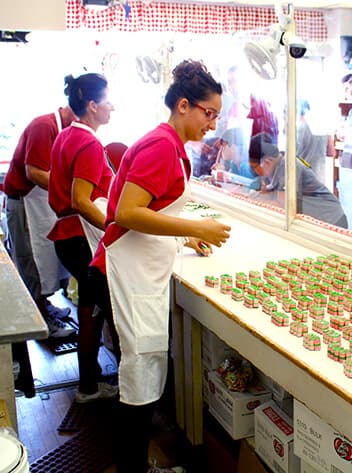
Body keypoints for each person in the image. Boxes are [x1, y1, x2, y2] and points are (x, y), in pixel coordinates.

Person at [89, 59, 231, 473]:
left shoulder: (168, 145)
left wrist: (184, 237)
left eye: (217, 116)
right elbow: (129, 213)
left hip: (139, 272)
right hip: (124, 274)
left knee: (143, 378)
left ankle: (138, 464)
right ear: (183, 105)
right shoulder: (161, 146)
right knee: (138, 383)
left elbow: (150, 208)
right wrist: (194, 225)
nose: (212, 123)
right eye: (209, 113)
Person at [48, 72, 118, 403]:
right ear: (92, 106)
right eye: (107, 102)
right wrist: (117, 228)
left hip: (67, 237)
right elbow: (81, 200)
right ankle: (94, 388)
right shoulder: (89, 142)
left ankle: (89, 384)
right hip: (81, 238)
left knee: (90, 309)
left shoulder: (66, 135)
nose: (112, 108)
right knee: (101, 311)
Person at [2, 101, 77, 397]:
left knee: (48, 259)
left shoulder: (69, 130)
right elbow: (34, 172)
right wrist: (72, 191)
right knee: (31, 260)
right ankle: (40, 318)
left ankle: (44, 306)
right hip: (24, 204)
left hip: (41, 204)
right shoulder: (43, 126)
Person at [249, 132, 348, 228]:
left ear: (267, 162)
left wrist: (255, 198)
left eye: (256, 168)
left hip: (331, 219)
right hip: (315, 220)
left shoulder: (290, 167)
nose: (256, 172)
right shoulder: (277, 164)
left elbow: (282, 205)